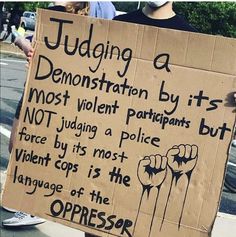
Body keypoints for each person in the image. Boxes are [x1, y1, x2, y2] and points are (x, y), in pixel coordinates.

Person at [2, 1, 116, 228]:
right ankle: (23, 196)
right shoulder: (53, 12)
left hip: (63, 94)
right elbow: (36, 45)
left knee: (44, 150)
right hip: (36, 88)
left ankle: (35, 206)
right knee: (16, 145)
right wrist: (25, 45)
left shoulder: (100, 8)